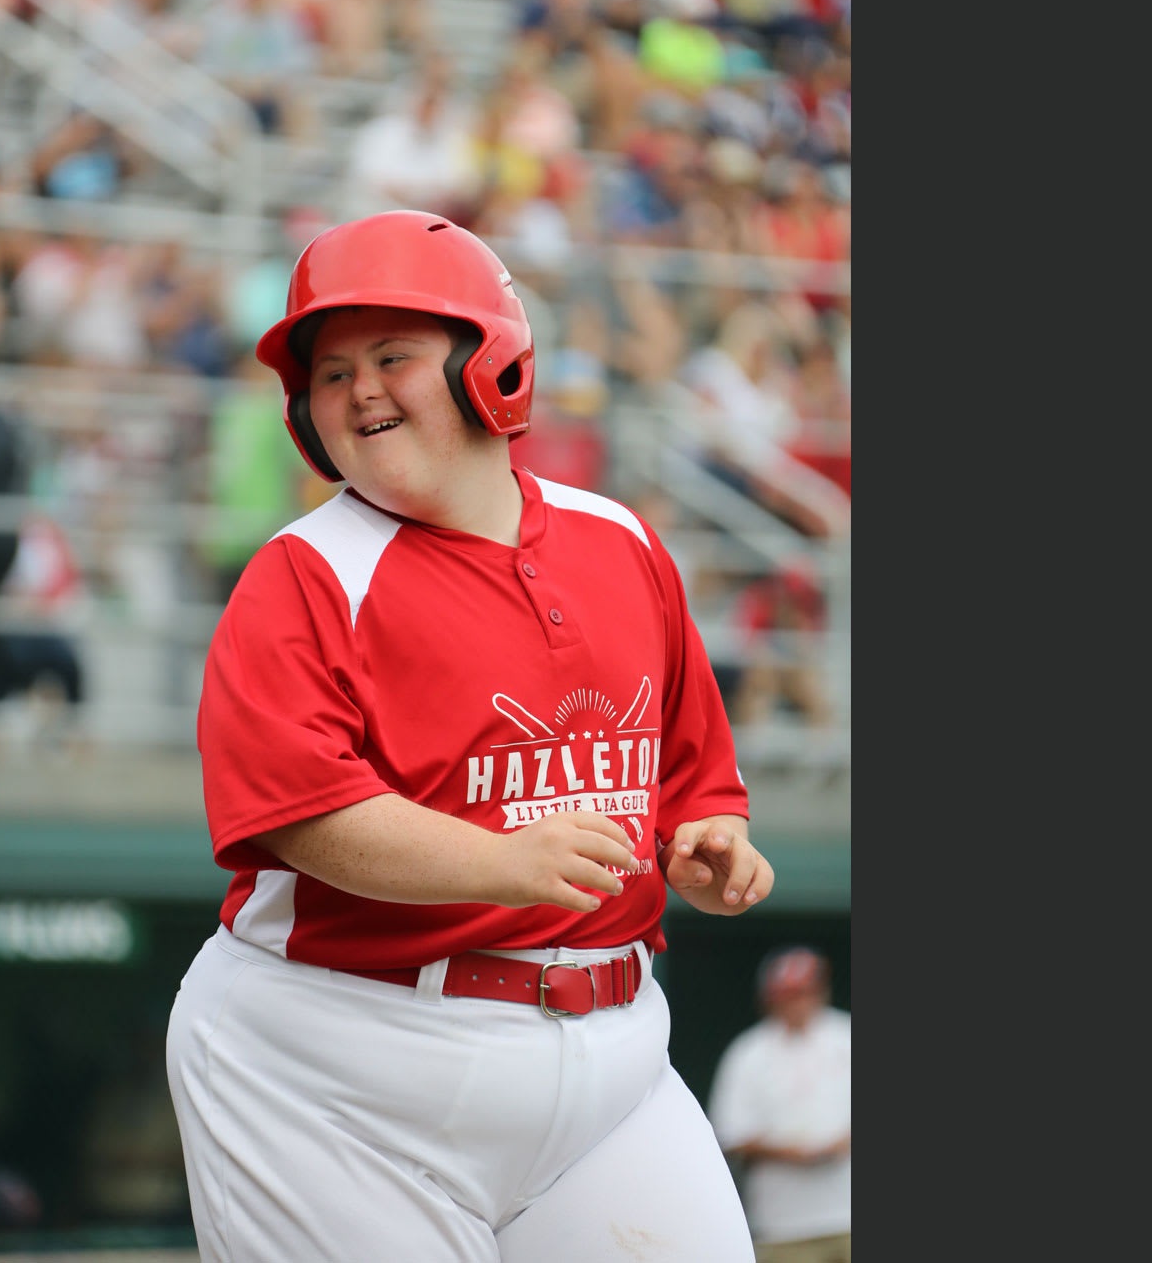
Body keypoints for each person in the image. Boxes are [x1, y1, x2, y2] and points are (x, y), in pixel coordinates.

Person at [166, 210, 772, 1261]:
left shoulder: (618, 540)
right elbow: (305, 815)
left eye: (392, 355)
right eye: (329, 371)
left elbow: (688, 767)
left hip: (612, 1059)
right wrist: (500, 860)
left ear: (490, 364)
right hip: (340, 1070)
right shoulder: (305, 573)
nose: (356, 388)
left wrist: (711, 832)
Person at [705, 946, 852, 1263]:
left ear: (821, 991)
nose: (797, 1003)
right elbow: (729, 1134)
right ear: (769, 999)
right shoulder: (748, 1051)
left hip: (846, 1212)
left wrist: (842, 1142)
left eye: (804, 992)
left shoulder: (846, 1035)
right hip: (782, 1223)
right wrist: (792, 1152)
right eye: (787, 994)